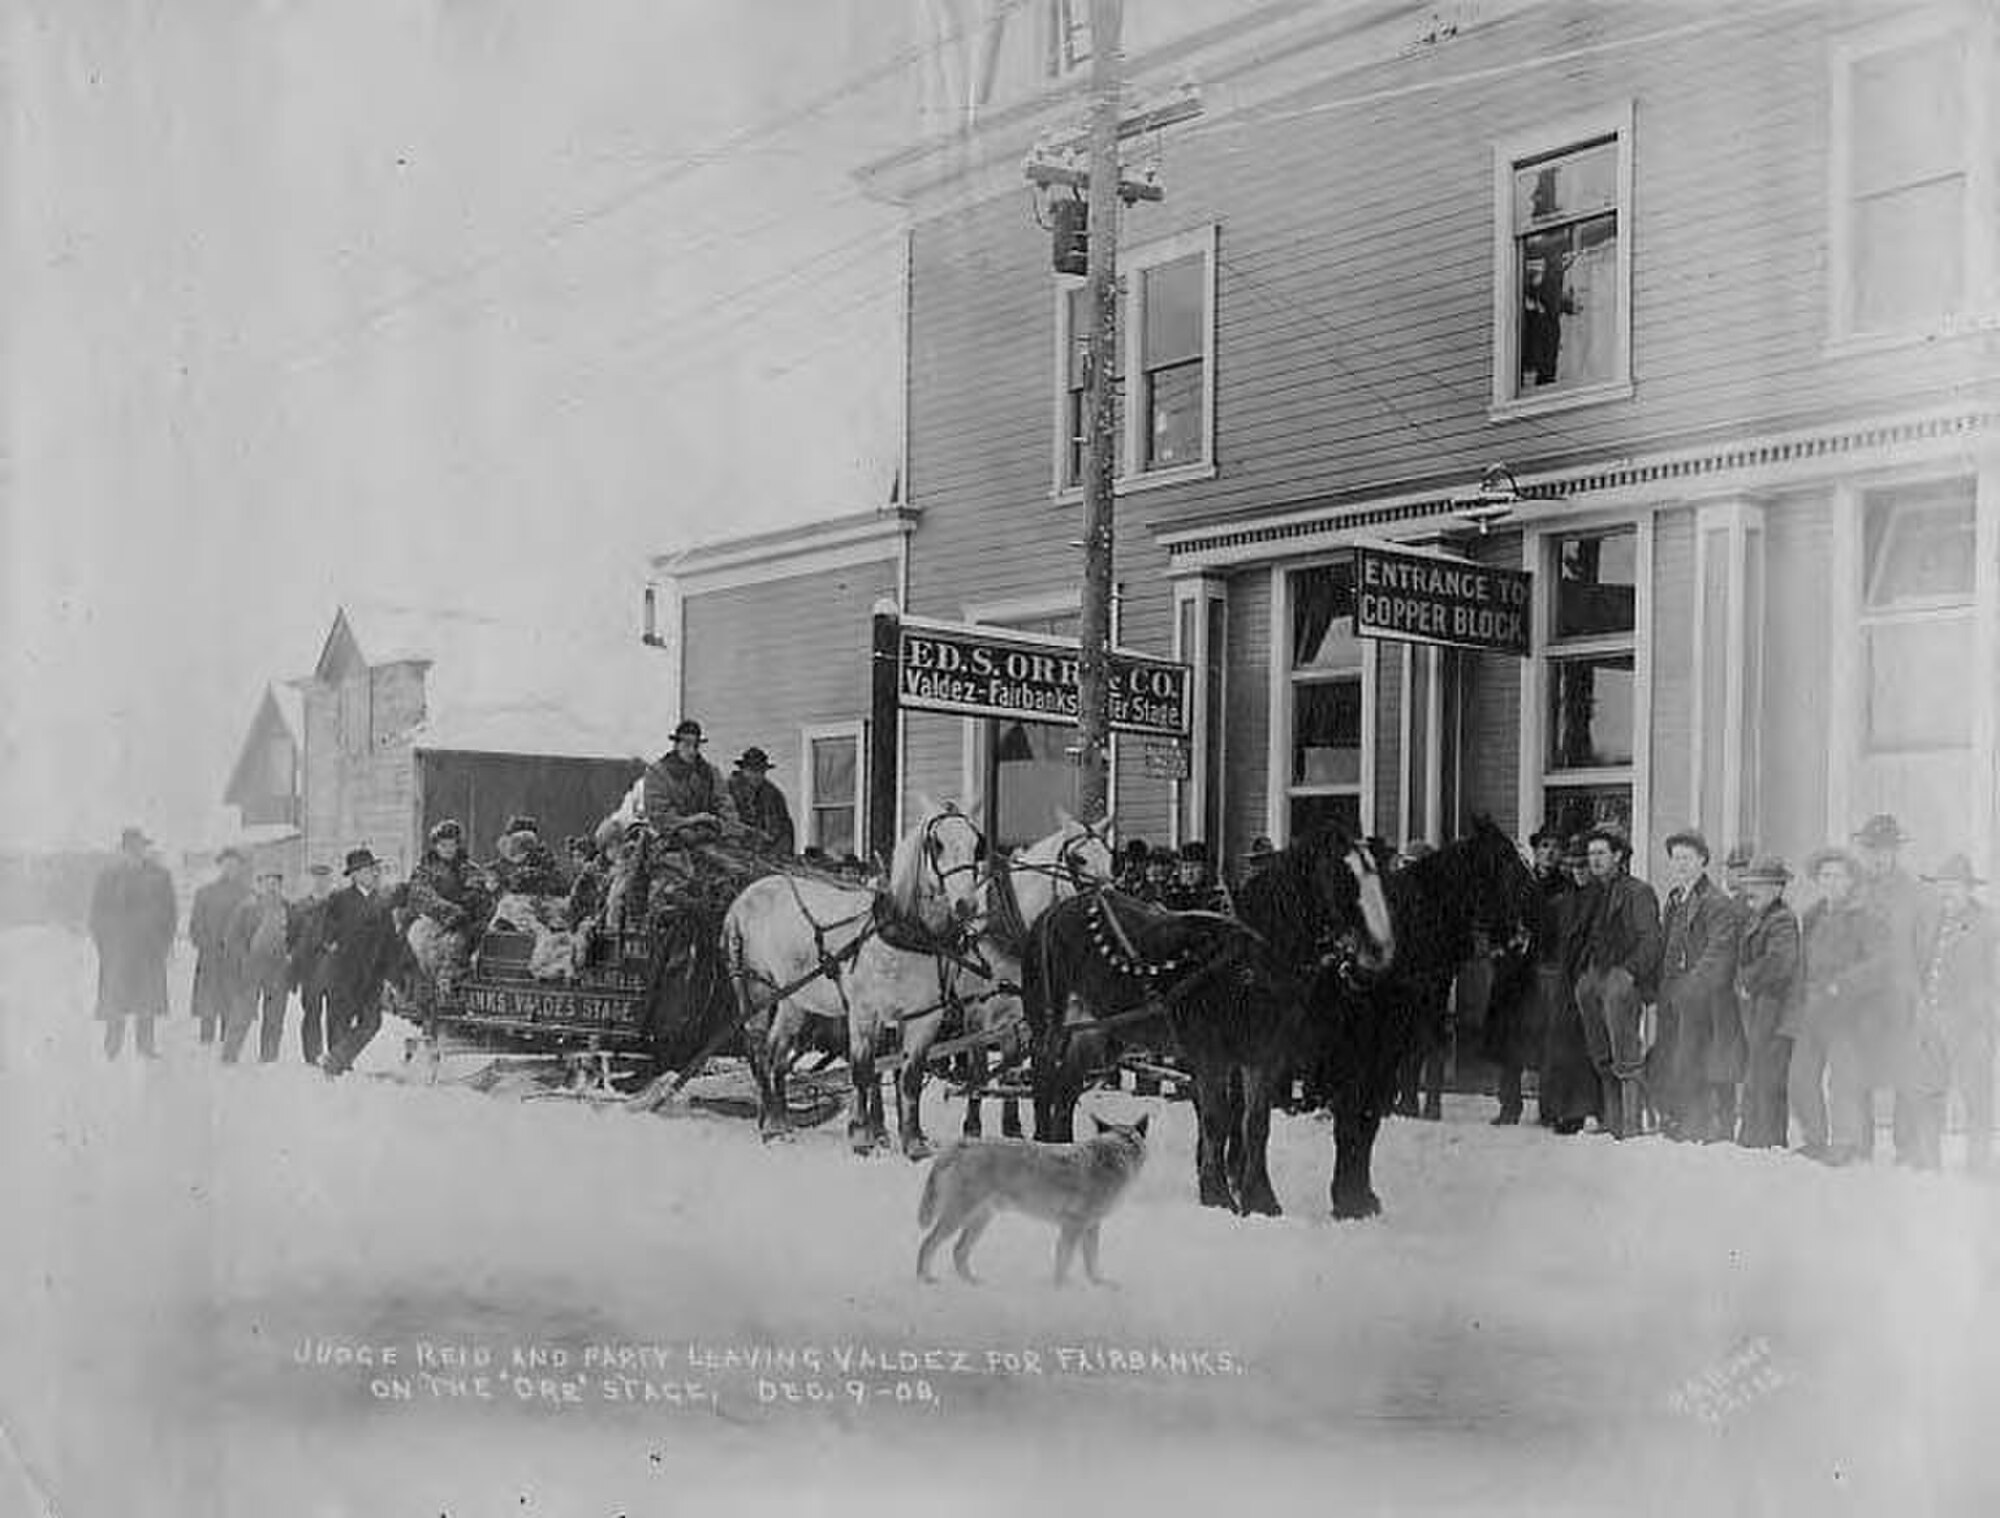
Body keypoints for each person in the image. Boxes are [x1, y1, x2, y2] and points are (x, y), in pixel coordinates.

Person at [1791, 847, 1891, 1165]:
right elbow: (1803, 963)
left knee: (1844, 1079)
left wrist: (1842, 984)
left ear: (1850, 881)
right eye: (1825, 876)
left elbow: (1880, 964)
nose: (1831, 882)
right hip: (1813, 1009)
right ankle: (1815, 1139)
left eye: (1838, 876)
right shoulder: (1812, 916)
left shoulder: (1865, 917)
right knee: (1801, 1077)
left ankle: (1847, 1143)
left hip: (1848, 1011)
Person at [1906, 855, 1999, 1172]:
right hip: (1930, 1022)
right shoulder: (1929, 921)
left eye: (1954, 886)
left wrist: (1984, 1021)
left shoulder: (1988, 924)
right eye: (1942, 886)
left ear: (1968, 889)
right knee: (1928, 1094)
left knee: (1976, 1098)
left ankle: (1978, 1167)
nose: (1946, 892)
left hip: (1971, 1026)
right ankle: (1929, 1165)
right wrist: (1920, 1007)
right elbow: (1917, 966)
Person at [1572, 823, 1662, 1140]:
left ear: (1619, 856)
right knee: (1601, 1053)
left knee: (1626, 1054)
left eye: (1601, 853)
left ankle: (1632, 1124)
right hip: (1594, 978)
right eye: (1591, 854)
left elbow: (1650, 941)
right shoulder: (1591, 894)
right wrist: (1584, 975)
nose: (1594, 860)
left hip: (1623, 979)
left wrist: (1628, 973)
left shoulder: (1638, 892)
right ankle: (1612, 1121)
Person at [1851, 814, 1930, 1165]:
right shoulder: (1855, 890)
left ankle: (1907, 1149)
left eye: (1884, 850)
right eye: (1871, 849)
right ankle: (1860, 1146)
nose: (1877, 857)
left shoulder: (1915, 894)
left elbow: (1923, 946)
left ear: (1896, 851)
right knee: (1859, 1072)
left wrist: (1919, 992)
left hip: (1901, 996)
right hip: (1863, 998)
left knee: (1905, 1073)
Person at [1655, 830, 1743, 1142]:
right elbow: (1667, 945)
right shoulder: (1675, 899)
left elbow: (1719, 952)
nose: (1680, 864)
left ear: (1703, 861)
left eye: (1687, 858)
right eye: (1676, 858)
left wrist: (1692, 986)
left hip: (1705, 996)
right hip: (1675, 991)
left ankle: (1705, 1126)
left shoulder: (1715, 902)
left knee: (1697, 1057)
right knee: (1674, 1055)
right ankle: (1681, 1119)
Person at [1492, 828, 1566, 1126]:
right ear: (1535, 851)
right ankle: (1509, 1105)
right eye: (1544, 846)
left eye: (1555, 847)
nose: (1549, 852)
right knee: (1511, 1037)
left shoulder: (1566, 887)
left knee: (1548, 1039)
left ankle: (1549, 1108)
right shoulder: (1517, 883)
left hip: (1547, 970)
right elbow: (1500, 919)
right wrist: (1502, 948)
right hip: (1516, 971)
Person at [87, 826, 177, 1060]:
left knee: (147, 1001)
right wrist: (106, 946)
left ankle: (146, 1047)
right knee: (115, 1001)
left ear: (145, 849)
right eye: (130, 848)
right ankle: (112, 1048)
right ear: (123, 850)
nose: (135, 852)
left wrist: (163, 944)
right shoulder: (108, 877)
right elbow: (97, 915)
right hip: (118, 951)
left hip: (148, 950)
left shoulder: (160, 876)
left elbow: (170, 914)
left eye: (139, 847)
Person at [1733, 856, 1800, 1149]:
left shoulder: (1782, 919)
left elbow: (1780, 963)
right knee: (1756, 1072)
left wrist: (1747, 980)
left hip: (1776, 1010)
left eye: (1760, 885)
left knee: (1769, 1077)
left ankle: (1769, 1141)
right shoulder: (1758, 917)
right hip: (1760, 1009)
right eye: (1751, 884)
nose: (1752, 891)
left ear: (1777, 889)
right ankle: (1752, 1138)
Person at [1537, 835, 1601, 1134]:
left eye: (1584, 865)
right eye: (1574, 866)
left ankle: (1589, 1109)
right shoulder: (1564, 902)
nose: (1579, 872)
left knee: (1589, 1045)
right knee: (1562, 1044)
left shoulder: (1601, 899)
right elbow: (1548, 939)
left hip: (1588, 977)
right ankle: (1562, 1110)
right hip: (1564, 979)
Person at [320, 848, 400, 1077]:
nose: (372, 874)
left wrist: (390, 976)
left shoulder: (382, 902)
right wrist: (332, 943)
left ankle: (336, 1059)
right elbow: (326, 931)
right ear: (354, 875)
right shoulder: (339, 899)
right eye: (366, 870)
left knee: (372, 1023)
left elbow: (390, 941)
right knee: (339, 1022)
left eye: (373, 869)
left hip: (372, 975)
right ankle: (337, 1070)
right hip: (344, 973)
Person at [406, 819, 490, 999]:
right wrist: (449, 911)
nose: (448, 849)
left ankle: (465, 986)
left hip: (465, 920)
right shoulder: (425, 870)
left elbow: (477, 890)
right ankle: (433, 988)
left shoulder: (469, 868)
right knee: (432, 948)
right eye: (443, 845)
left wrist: (468, 904)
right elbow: (423, 895)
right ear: (436, 846)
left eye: (452, 844)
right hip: (434, 921)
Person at [221, 868, 292, 1064]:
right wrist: (243, 959)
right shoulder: (247, 908)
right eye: (267, 882)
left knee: (275, 1016)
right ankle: (229, 1056)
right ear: (259, 884)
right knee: (242, 1013)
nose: (271, 886)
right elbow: (231, 939)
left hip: (278, 969)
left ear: (280, 885)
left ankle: (268, 1058)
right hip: (252, 968)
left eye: (275, 882)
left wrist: (291, 956)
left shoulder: (287, 907)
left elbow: (295, 934)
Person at [188, 847, 252, 1045]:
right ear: (220, 866)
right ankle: (206, 1043)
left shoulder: (248, 895)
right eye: (226, 864)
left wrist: (242, 949)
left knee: (230, 1005)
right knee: (208, 1005)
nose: (230, 869)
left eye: (234, 865)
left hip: (235, 960)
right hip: (210, 958)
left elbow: (252, 927)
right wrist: (206, 945)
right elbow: (195, 926)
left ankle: (227, 1046)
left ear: (240, 868)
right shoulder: (205, 893)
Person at [642, 720, 739, 843]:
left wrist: (723, 824)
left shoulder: (711, 772)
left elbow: (724, 804)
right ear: (676, 745)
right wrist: (691, 820)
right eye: (686, 745)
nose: (692, 751)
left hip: (710, 834)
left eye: (696, 746)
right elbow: (658, 815)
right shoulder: (657, 773)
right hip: (671, 838)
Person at [287, 864, 337, 1065]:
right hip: (310, 969)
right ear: (310, 881)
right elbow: (291, 940)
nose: (320, 883)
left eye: (324, 879)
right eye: (316, 879)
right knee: (311, 1013)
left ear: (330, 881)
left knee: (337, 1015)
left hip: (335, 969)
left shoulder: (340, 906)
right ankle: (312, 1056)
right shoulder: (300, 908)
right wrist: (294, 970)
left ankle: (337, 1056)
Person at [727, 747, 796, 856]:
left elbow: (785, 828)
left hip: (768, 853)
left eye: (761, 771)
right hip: (736, 851)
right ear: (742, 770)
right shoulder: (728, 790)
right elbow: (727, 823)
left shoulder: (773, 794)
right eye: (752, 770)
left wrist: (780, 853)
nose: (757, 775)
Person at [488, 816, 566, 898]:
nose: (522, 847)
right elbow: (490, 886)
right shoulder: (500, 867)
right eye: (516, 842)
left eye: (528, 843)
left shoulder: (544, 862)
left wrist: (536, 877)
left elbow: (560, 885)